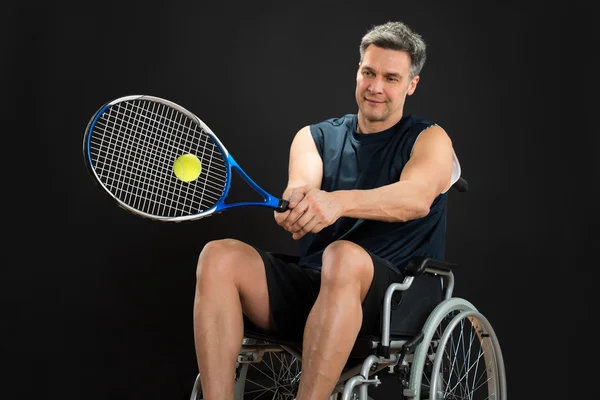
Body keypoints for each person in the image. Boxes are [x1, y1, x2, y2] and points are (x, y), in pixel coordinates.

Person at [193, 21, 461, 400]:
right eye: (368, 72)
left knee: (343, 256)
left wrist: (337, 202)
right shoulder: (314, 137)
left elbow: (415, 198)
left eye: (391, 77)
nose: (376, 88)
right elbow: (302, 184)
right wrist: (298, 206)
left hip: (392, 302)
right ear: (357, 72)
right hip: (317, 290)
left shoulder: (430, 138)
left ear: (411, 85)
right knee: (217, 256)